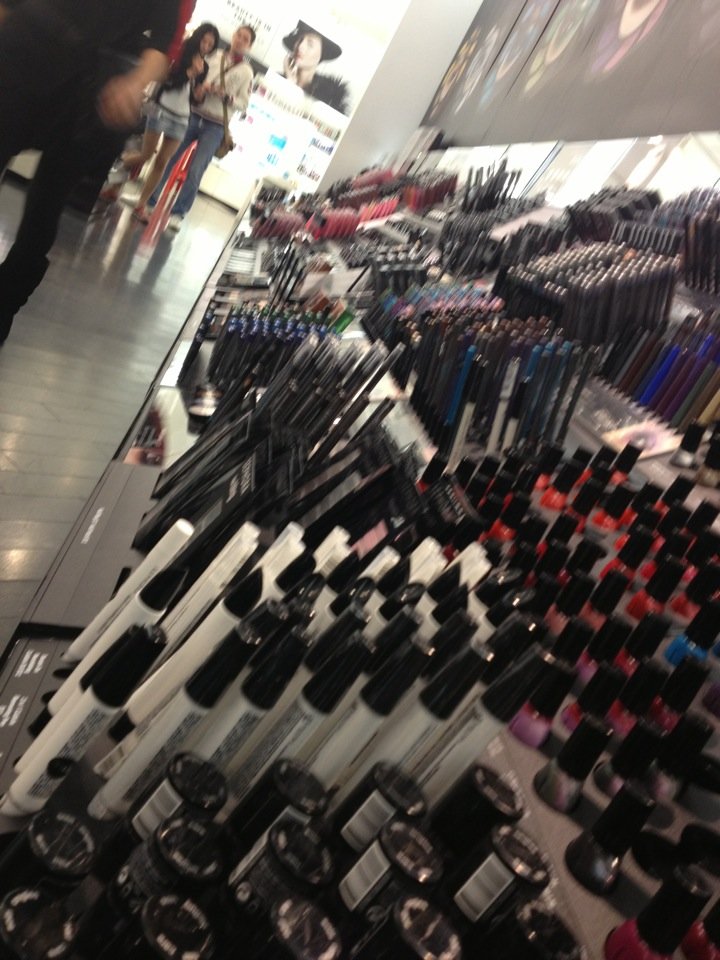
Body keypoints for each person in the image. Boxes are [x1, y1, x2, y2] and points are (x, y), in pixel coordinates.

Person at [0, 0, 181, 344]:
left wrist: (135, 83)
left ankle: (5, 302)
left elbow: (161, 47)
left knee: (45, 206)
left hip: (91, 92)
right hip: (24, 51)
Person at [148, 24, 255, 232]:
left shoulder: (247, 72)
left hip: (216, 125)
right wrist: (200, 88)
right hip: (193, 113)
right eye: (239, 35)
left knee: (196, 170)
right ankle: (150, 198)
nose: (240, 40)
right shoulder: (214, 56)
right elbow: (197, 78)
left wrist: (227, 96)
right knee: (168, 157)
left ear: (249, 46)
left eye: (245, 39)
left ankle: (178, 213)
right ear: (233, 35)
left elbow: (244, 104)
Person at [127, 22, 220, 222]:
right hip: (161, 108)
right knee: (145, 155)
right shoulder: (181, 52)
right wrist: (190, 73)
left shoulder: (205, 66)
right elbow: (167, 81)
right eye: (204, 41)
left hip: (182, 117)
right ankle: (117, 168)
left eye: (210, 44)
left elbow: (192, 97)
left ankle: (141, 205)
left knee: (162, 162)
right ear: (198, 37)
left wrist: (199, 94)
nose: (206, 46)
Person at [281, 20, 349, 115]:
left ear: (322, 54)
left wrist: (292, 88)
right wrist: (289, 82)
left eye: (310, 44)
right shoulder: (276, 80)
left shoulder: (330, 100)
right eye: (300, 40)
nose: (300, 47)